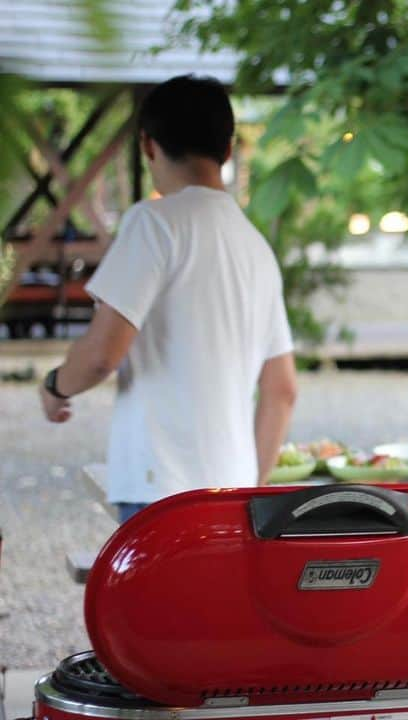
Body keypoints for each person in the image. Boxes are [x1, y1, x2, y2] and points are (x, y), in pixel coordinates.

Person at [38, 75, 298, 522]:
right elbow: (282, 391)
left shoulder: (153, 224)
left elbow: (102, 354)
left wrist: (55, 386)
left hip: (160, 488)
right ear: (228, 149)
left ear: (148, 145)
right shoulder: (255, 247)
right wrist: (250, 487)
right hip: (233, 494)